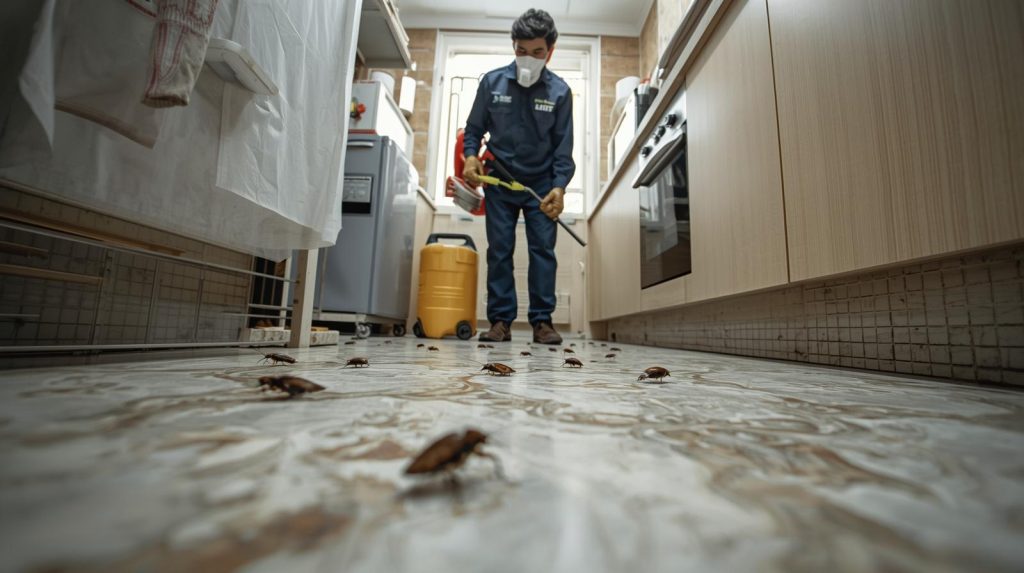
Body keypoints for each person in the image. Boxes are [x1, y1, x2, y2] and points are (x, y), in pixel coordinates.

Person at [462, 8, 575, 345]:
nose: (529, 59)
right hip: (500, 179)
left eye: (537, 52)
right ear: (514, 46)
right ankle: (500, 322)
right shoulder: (492, 82)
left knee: (543, 250)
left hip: (540, 185)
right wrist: (470, 158)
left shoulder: (560, 92)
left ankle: (542, 322)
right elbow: (473, 130)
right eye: (522, 51)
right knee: (499, 248)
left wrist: (559, 187)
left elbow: (563, 149)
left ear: (550, 51)